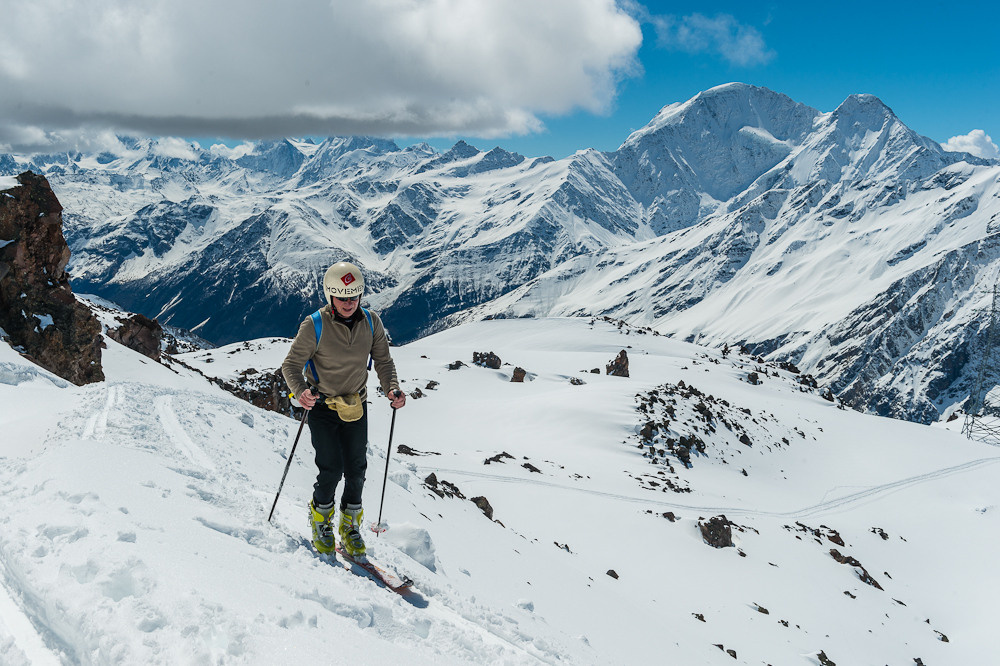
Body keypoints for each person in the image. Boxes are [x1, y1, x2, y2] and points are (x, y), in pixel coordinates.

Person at [281, 261, 406, 557]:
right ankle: (321, 519)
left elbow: (384, 362)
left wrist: (392, 388)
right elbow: (290, 365)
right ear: (330, 296)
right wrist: (301, 392)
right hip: (322, 406)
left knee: (357, 469)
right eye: (342, 297)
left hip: (356, 405)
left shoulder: (372, 322)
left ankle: (350, 526)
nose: (349, 303)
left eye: (353, 297)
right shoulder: (314, 325)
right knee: (331, 468)